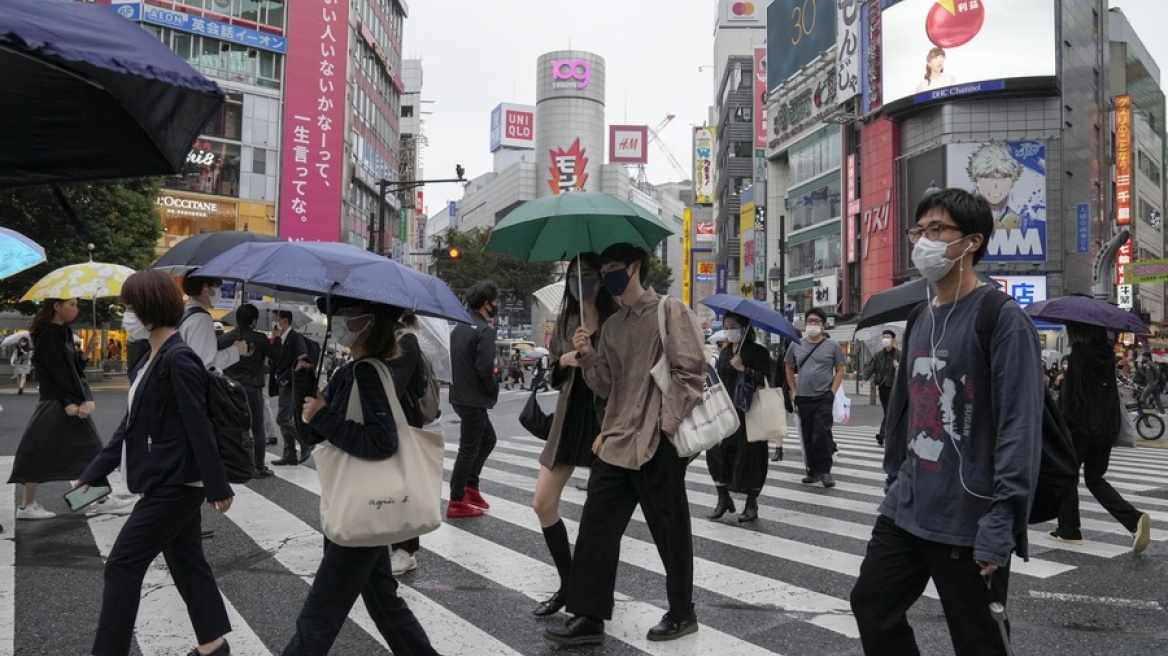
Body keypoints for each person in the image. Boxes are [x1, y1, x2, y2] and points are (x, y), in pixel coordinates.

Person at [850, 188, 1044, 655]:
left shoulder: (1001, 318)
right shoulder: (920, 316)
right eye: (920, 231)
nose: (924, 242)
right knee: (871, 603)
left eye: (937, 231)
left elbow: (1020, 428)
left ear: (972, 241)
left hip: (968, 517)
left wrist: (1002, 521)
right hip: (908, 505)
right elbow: (902, 406)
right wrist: (895, 476)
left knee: (978, 640)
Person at [545, 243, 706, 646]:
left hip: (656, 441)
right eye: (605, 271)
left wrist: (666, 428)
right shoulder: (614, 326)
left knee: (670, 530)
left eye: (614, 269)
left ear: (635, 268)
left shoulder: (670, 311)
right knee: (597, 527)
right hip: (617, 440)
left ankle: (682, 612)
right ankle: (588, 615)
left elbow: (690, 375)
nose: (608, 278)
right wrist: (587, 357)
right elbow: (606, 386)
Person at [76, 269, 235, 656]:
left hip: (175, 486)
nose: (125, 314)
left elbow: (200, 426)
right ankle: (214, 646)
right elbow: (129, 429)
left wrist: (217, 486)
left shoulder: (178, 358)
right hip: (168, 480)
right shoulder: (153, 357)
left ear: (147, 309)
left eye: (129, 307)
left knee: (122, 565)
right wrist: (92, 475)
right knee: (187, 563)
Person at [282, 296, 439, 656]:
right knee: (384, 603)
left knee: (319, 615)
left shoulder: (368, 372)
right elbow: (312, 436)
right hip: (362, 508)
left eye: (345, 313)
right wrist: (304, 386)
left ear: (368, 322)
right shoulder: (349, 371)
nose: (337, 320)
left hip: (364, 507)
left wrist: (324, 416)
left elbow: (382, 441)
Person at [530, 254, 619, 617]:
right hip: (569, 416)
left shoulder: (616, 319)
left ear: (601, 279)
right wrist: (567, 358)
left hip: (605, 420)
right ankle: (568, 583)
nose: (580, 281)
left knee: (600, 520)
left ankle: (593, 598)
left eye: (588, 275)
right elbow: (553, 369)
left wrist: (592, 353)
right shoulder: (567, 318)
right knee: (542, 503)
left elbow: (623, 377)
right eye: (574, 275)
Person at [9, 298, 131, 520]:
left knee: (50, 450)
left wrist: (87, 352)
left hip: (63, 400)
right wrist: (77, 400)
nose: (76, 309)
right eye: (72, 304)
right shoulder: (47, 333)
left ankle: (30, 506)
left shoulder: (63, 331)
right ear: (57, 306)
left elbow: (72, 368)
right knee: (75, 448)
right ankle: (97, 500)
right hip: (59, 401)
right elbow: (57, 373)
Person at [1049, 321, 1152, 553]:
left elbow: (1075, 400)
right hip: (1105, 427)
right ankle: (1133, 519)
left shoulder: (1079, 355)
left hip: (1082, 429)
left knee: (1066, 475)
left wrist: (1064, 392)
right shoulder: (1106, 355)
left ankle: (1069, 530)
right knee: (1095, 479)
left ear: (1078, 331)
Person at [706, 311, 772, 523]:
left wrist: (744, 369)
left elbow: (768, 378)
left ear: (744, 328)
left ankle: (751, 503)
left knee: (751, 457)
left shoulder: (757, 352)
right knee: (715, 453)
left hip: (751, 413)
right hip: (726, 412)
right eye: (726, 326)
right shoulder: (726, 352)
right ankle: (723, 498)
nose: (729, 330)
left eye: (733, 326)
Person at [446, 281, 501, 519]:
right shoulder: (484, 330)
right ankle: (457, 499)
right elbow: (485, 367)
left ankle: (471, 487)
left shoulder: (460, 327)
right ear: (486, 304)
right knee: (468, 449)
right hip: (474, 398)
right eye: (495, 301)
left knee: (488, 439)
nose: (496, 305)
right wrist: (493, 388)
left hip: (460, 395)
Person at [784, 307, 845, 488]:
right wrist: (793, 389)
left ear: (824, 325)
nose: (813, 324)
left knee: (822, 433)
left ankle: (825, 471)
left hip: (823, 396)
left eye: (817, 322)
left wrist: (832, 392)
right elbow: (788, 366)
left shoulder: (832, 346)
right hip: (803, 397)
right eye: (810, 321)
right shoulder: (796, 344)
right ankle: (812, 471)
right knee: (807, 434)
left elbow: (841, 368)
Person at [387, 310, 428, 575]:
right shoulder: (387, 338)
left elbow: (393, 386)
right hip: (388, 424)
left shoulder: (405, 341)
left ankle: (407, 550)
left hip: (404, 424)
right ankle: (391, 544)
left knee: (404, 487)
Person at [222, 303, 280, 479]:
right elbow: (277, 356)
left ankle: (231, 464)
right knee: (257, 428)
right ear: (254, 321)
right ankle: (258, 467)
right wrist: (276, 338)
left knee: (231, 427)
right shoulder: (260, 338)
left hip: (230, 388)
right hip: (253, 389)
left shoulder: (226, 338)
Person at [177, 273, 247, 372]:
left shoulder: (184, 313)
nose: (220, 291)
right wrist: (236, 350)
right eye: (217, 286)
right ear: (205, 287)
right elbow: (206, 365)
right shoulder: (201, 319)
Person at [269, 310, 313, 466]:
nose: (274, 323)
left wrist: (286, 378)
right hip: (281, 383)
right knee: (284, 419)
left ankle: (306, 441)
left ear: (285, 321)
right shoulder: (279, 338)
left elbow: (302, 360)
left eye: (277, 320)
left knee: (282, 418)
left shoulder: (296, 337)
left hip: (290, 384)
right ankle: (289, 454)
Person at [861, 329, 899, 446]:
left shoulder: (899, 354)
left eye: (887, 337)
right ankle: (890, 433)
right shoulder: (878, 355)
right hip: (883, 387)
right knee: (888, 411)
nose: (885, 339)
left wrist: (897, 367)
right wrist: (864, 378)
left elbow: (907, 370)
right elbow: (871, 367)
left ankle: (882, 434)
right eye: (884, 337)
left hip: (895, 386)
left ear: (893, 339)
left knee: (889, 411)